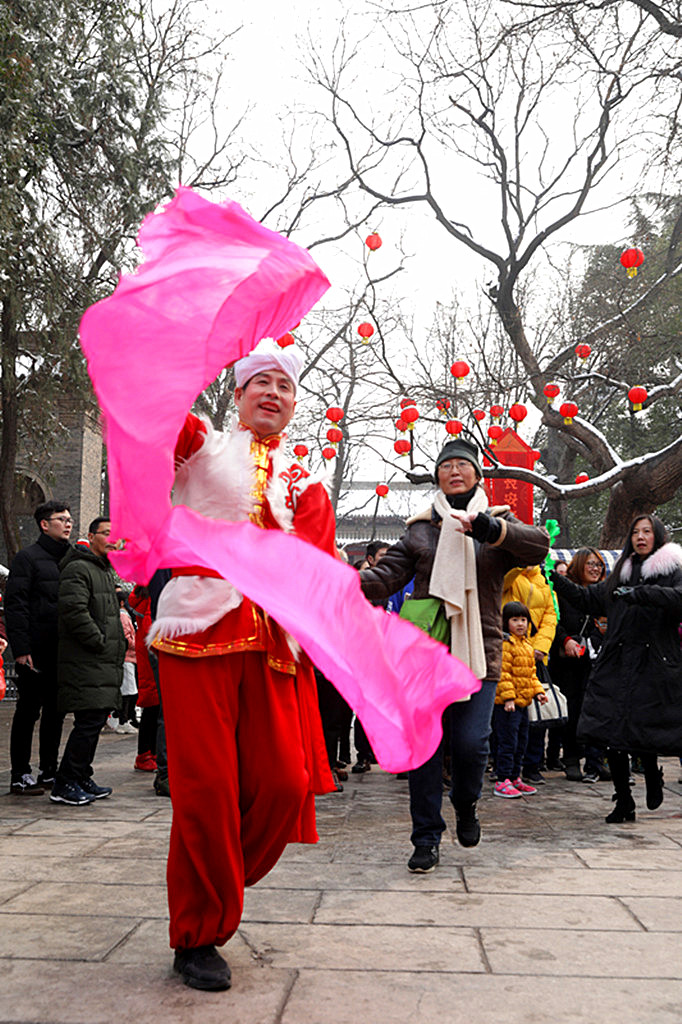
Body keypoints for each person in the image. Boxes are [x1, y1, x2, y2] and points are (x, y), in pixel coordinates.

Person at [151, 338, 337, 992]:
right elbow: (153, 406)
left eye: (284, 387)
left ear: (293, 404)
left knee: (285, 785)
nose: (273, 394)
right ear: (237, 394)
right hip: (196, 628)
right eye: (261, 382)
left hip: (274, 647)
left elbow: (318, 574)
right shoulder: (202, 445)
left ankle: (219, 875)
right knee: (204, 790)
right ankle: (198, 932)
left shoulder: (307, 483)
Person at [360, 437, 549, 872]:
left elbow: (537, 545)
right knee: (425, 750)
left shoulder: (497, 523)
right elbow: (387, 576)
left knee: (471, 743)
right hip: (426, 654)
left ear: (478, 476)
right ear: (438, 477)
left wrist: (486, 528)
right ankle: (425, 838)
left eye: (463, 465)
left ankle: (465, 804)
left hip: (479, 650)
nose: (455, 472)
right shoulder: (420, 530)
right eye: (447, 467)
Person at [551, 514, 682, 824]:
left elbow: (679, 599)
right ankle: (623, 801)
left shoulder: (673, 569)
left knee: (643, 727)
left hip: (655, 663)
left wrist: (642, 594)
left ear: (658, 536)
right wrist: (555, 580)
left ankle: (652, 773)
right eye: (635, 531)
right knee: (611, 731)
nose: (640, 536)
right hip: (617, 661)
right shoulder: (620, 573)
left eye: (647, 531)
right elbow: (589, 599)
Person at [50, 517, 125, 806]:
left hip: (101, 662)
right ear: (91, 536)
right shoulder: (79, 568)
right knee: (89, 722)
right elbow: (74, 612)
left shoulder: (103, 570)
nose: (112, 539)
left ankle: (80, 775)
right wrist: (100, 642)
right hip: (87, 660)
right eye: (106, 534)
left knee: (94, 720)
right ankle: (65, 782)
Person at [4, 500, 71, 795]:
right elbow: (15, 606)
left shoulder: (71, 559)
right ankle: (20, 774)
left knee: (56, 712)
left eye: (69, 519)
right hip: (33, 649)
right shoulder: (27, 559)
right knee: (28, 711)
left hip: (62, 649)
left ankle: (48, 770)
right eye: (61, 519)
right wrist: (20, 648)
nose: (68, 524)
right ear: (44, 524)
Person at [549, 548, 609, 783]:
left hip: (594, 659)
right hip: (568, 660)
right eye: (591, 564)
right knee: (572, 710)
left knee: (595, 710)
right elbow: (553, 621)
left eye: (599, 565)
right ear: (580, 565)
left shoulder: (603, 592)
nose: (596, 569)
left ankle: (597, 762)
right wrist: (566, 640)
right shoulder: (564, 591)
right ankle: (571, 759)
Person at [501, 563, 557, 784]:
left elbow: (551, 616)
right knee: (508, 728)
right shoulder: (511, 574)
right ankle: (504, 773)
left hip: (534, 654)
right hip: (509, 647)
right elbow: (502, 584)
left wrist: (540, 647)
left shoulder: (544, 582)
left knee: (532, 723)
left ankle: (530, 767)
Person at [492, 601, 547, 798]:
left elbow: (531, 674)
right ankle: (502, 779)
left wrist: (538, 691)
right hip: (508, 705)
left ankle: (515, 777)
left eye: (523, 619)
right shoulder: (505, 644)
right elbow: (502, 673)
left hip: (523, 704)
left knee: (521, 742)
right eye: (515, 620)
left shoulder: (526, 644)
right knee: (508, 742)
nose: (520, 624)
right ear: (506, 622)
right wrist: (508, 698)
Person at [351, 541, 388, 774]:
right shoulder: (361, 585)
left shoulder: (399, 583)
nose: (388, 560)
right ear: (371, 560)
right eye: (382, 556)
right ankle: (363, 755)